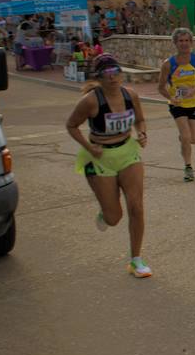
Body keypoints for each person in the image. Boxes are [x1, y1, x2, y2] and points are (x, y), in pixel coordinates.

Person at [64, 53, 152, 277]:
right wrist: (88, 145)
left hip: (127, 152)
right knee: (114, 218)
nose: (113, 78)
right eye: (107, 74)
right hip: (100, 157)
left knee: (136, 206)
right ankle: (105, 213)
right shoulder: (91, 101)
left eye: (116, 72)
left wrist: (141, 133)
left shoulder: (130, 95)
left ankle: (136, 260)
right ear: (99, 77)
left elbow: (140, 119)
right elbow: (72, 125)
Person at [158, 27, 195, 182]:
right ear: (175, 43)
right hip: (177, 104)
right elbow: (160, 87)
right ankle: (188, 167)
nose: (184, 44)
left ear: (191, 42)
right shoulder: (168, 64)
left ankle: (183, 140)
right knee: (186, 135)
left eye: (186, 41)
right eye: (180, 41)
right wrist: (171, 97)